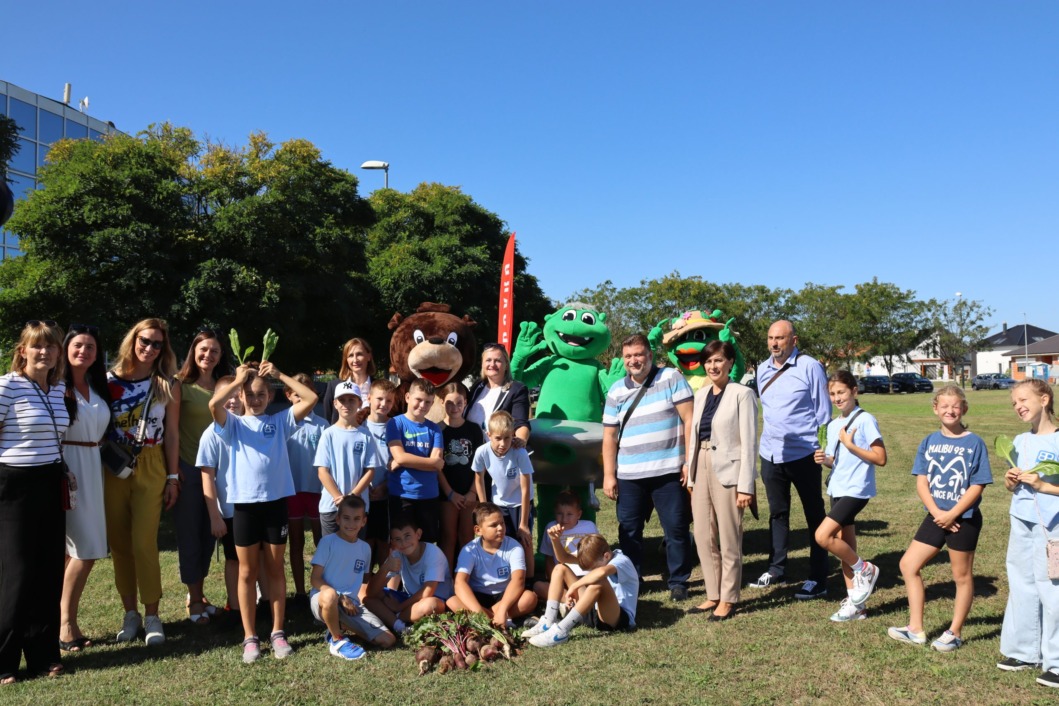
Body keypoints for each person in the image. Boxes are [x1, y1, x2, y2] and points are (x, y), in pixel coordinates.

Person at [209, 362, 319, 663]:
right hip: (244, 507)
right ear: (241, 396)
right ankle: (249, 636)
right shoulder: (231, 424)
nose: (255, 400)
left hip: (274, 506)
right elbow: (214, 403)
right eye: (249, 394)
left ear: (270, 397)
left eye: (260, 395)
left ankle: (278, 632)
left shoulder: (280, 421)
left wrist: (280, 375)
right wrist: (239, 381)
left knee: (274, 569)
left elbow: (310, 398)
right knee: (247, 571)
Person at [887, 385, 991, 651]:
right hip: (935, 517)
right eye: (944, 406)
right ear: (935, 408)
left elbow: (978, 485)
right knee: (908, 565)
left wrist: (953, 513)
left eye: (955, 406)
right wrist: (938, 514)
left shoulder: (974, 442)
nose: (950, 410)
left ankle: (954, 632)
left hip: (963, 519)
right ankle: (916, 629)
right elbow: (922, 482)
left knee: (962, 576)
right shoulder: (929, 441)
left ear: (964, 409)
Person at [0, 321, 71, 683]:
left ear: (59, 352)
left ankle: (43, 655)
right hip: (14, 486)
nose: (45, 352)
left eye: (51, 347)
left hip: (50, 481)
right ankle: (4, 660)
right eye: (37, 346)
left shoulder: (57, 389)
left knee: (47, 572)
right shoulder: (6, 386)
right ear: (22, 350)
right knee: (17, 574)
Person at [106, 318, 181, 646]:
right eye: (145, 341)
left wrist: (173, 477)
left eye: (157, 344)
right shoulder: (106, 380)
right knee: (120, 546)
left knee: (144, 543)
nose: (150, 349)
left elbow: (173, 435)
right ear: (132, 340)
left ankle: (152, 615)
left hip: (152, 463)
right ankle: (130, 614)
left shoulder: (166, 383)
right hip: (112, 464)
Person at [602, 333, 694, 601]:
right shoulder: (616, 389)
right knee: (628, 530)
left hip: (668, 471)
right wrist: (609, 475)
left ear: (650, 355)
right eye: (629, 356)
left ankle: (679, 581)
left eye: (639, 354)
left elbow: (690, 421)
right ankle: (632, 579)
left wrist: (689, 461)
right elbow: (609, 435)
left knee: (676, 528)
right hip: (629, 474)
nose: (634, 360)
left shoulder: (671, 378)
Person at [751, 320, 831, 600]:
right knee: (778, 513)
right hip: (771, 454)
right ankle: (776, 568)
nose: (775, 343)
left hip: (804, 454)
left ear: (793, 340)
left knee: (815, 515)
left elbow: (824, 412)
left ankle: (818, 576)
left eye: (780, 338)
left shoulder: (810, 367)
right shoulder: (762, 369)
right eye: (771, 338)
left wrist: (823, 448)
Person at [684, 340, 757, 620]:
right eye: (708, 361)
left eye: (718, 361)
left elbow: (749, 443)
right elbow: (693, 435)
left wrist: (745, 486)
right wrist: (690, 475)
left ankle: (728, 597)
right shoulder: (701, 394)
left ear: (729, 363)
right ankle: (712, 594)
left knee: (729, 537)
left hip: (729, 471)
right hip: (700, 465)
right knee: (703, 535)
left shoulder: (742, 394)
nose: (713, 366)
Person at [998, 380, 1059, 687]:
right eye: (1014, 403)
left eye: (1023, 399)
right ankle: (1023, 650)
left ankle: (1057, 662)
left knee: (1053, 588)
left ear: (1044, 399)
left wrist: (1043, 485)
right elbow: (1013, 487)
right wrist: (1012, 480)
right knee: (1021, 582)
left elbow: (1049, 487)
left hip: (1053, 526)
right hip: (1021, 521)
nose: (1018, 406)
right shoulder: (1021, 440)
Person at [813, 371, 887, 623]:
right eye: (832, 394)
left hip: (856, 490)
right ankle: (857, 604)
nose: (837, 398)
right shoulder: (834, 425)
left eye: (841, 392)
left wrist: (851, 444)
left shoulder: (865, 420)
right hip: (838, 488)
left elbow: (880, 458)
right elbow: (839, 462)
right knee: (847, 547)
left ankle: (865, 569)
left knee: (823, 536)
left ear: (854, 391)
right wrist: (826, 460)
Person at [59, 324, 113, 653]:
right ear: (66, 348)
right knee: (85, 549)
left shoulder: (97, 385)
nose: (84, 352)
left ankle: (67, 621)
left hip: (94, 465)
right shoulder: (55, 387)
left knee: (77, 552)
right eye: (78, 345)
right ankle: (65, 624)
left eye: (91, 347)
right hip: (69, 467)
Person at [174, 328, 231, 626]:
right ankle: (194, 598)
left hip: (224, 471)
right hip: (190, 469)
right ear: (194, 351)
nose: (208, 355)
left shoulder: (227, 386)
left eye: (215, 351)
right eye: (203, 349)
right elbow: (170, 432)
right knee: (191, 534)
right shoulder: (180, 386)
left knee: (212, 534)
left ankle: (200, 594)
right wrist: (173, 472)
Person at [310, 495, 395, 661]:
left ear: (363, 521)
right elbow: (315, 579)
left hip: (352, 604)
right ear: (338, 519)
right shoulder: (328, 542)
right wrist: (340, 597)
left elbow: (364, 583)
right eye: (346, 518)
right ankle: (337, 641)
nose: (351, 524)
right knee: (330, 596)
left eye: (356, 519)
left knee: (388, 640)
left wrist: (386, 569)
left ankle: (334, 627)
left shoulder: (365, 549)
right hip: (323, 600)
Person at [524, 533, 638, 647]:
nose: (591, 571)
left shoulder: (623, 561)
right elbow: (563, 558)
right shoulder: (597, 556)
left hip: (615, 619)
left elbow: (601, 573)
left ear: (607, 556)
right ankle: (548, 621)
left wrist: (575, 586)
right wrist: (555, 539)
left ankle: (561, 631)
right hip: (593, 611)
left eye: (593, 568)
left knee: (600, 582)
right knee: (560, 569)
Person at [447, 502, 538, 625]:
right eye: (493, 525)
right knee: (452, 601)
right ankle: (500, 619)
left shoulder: (514, 547)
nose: (500, 528)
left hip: (505, 596)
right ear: (478, 530)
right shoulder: (469, 550)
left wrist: (502, 609)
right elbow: (459, 583)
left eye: (502, 523)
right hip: (477, 597)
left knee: (529, 598)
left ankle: (492, 618)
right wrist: (478, 611)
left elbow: (518, 580)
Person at [364, 514, 452, 634]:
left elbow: (427, 592)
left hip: (433, 600)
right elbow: (371, 593)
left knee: (431, 605)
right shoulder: (397, 553)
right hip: (408, 598)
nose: (404, 543)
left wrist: (398, 608)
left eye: (407, 536)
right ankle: (400, 625)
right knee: (364, 593)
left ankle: (392, 618)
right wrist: (385, 568)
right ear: (392, 541)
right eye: (398, 539)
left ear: (418, 534)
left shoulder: (433, 553)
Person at [198, 375, 241, 616]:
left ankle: (263, 603)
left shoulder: (250, 426)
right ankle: (234, 606)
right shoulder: (211, 434)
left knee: (260, 558)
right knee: (234, 559)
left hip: (254, 507)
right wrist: (215, 516)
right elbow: (207, 477)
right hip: (230, 510)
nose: (232, 401)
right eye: (226, 396)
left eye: (237, 395)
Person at [386, 379, 445, 544]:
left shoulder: (434, 429)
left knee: (426, 544)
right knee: (400, 543)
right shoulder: (395, 423)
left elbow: (437, 462)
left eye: (427, 402)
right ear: (407, 397)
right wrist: (403, 459)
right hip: (402, 494)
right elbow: (401, 457)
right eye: (418, 400)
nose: (422, 405)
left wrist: (404, 460)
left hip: (429, 495)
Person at [473, 411, 535, 565]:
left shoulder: (520, 453)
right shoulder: (482, 452)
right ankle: (506, 575)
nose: (503, 444)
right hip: (499, 503)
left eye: (507, 438)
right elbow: (478, 478)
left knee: (524, 539)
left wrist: (523, 523)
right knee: (500, 540)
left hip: (521, 502)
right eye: (498, 438)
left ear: (513, 435)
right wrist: (484, 507)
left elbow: (526, 488)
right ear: (489, 435)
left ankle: (530, 580)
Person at [285, 373, 327, 601]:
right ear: (288, 395)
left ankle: (321, 588)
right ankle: (300, 592)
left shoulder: (322, 425)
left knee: (322, 543)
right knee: (296, 543)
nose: (300, 397)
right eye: (295, 393)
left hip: (317, 491)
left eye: (305, 392)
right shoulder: (283, 422)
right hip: (291, 491)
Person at [315, 386, 378, 536]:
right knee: (331, 554)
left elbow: (370, 471)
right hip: (331, 506)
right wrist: (338, 498)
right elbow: (322, 471)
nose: (347, 404)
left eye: (351, 400)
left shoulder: (366, 435)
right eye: (342, 400)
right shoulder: (328, 434)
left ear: (359, 402)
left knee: (356, 552)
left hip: (357, 507)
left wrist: (352, 496)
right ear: (335, 403)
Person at [438, 381, 484, 569]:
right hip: (446, 494)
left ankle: (465, 578)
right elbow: (437, 466)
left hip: (469, 493)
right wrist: (450, 493)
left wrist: (473, 492)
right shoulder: (437, 429)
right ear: (442, 402)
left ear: (465, 403)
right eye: (449, 403)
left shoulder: (473, 429)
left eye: (459, 403)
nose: (454, 408)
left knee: (467, 536)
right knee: (448, 537)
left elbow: (480, 463)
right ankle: (446, 579)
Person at [533, 491, 599, 600]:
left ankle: (568, 601)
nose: (564, 519)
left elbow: (598, 553)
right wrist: (553, 581)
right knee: (538, 586)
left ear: (579, 514)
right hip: (563, 578)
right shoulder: (551, 528)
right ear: (554, 513)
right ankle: (569, 600)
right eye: (559, 514)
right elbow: (549, 558)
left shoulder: (589, 526)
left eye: (569, 514)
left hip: (587, 575)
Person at [465, 343, 530, 446]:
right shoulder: (478, 386)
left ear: (506, 365)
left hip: (497, 452)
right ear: (482, 364)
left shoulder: (517, 389)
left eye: (498, 361)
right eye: (488, 360)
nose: (492, 364)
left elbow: (520, 422)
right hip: (471, 450)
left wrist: (520, 440)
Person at [363, 381, 398, 568]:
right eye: (379, 399)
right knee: (366, 542)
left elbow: (398, 460)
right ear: (369, 398)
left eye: (389, 401)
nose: (384, 404)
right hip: (364, 493)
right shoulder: (359, 425)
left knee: (384, 542)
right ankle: (365, 585)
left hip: (386, 493)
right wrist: (364, 484)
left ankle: (383, 586)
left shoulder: (395, 426)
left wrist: (385, 485)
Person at [320, 338, 375, 422]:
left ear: (369, 356)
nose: (355, 360)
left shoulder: (379, 386)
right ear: (346, 360)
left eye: (359, 354)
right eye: (351, 355)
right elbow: (328, 420)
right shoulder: (334, 387)